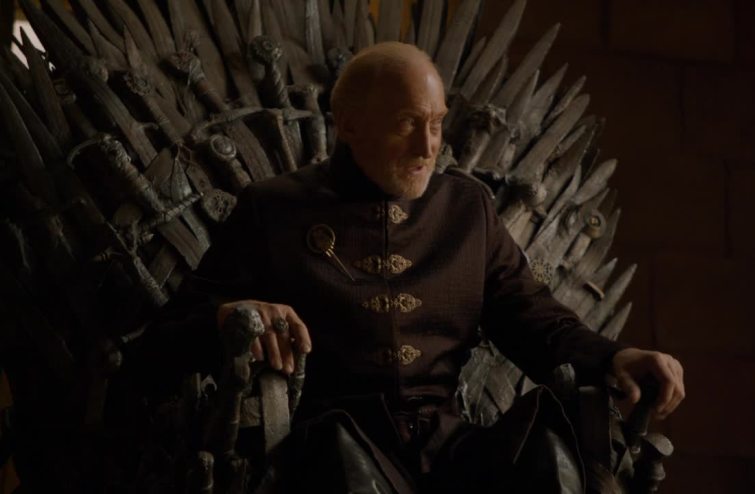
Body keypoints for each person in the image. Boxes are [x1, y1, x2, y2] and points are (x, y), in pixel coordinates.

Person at [147, 42, 684, 493]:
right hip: (333, 448)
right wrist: (230, 317)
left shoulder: (467, 209)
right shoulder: (274, 209)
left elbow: (533, 317)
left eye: (436, 123)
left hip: (453, 451)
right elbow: (163, 340)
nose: (428, 146)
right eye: (407, 123)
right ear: (349, 124)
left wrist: (615, 357)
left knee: (551, 459)